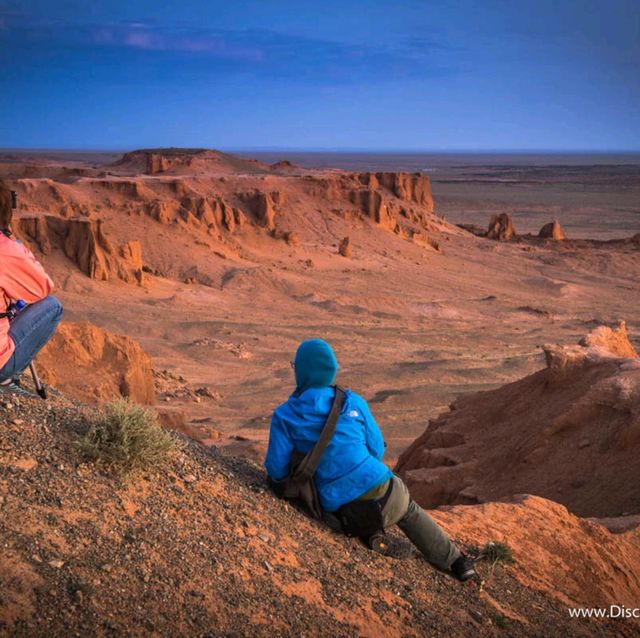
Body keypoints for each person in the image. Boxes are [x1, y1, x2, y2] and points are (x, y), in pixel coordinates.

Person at [265, 338, 476, 582]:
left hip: (341, 514)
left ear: (302, 370)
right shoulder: (352, 401)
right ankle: (456, 562)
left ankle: (369, 532)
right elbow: (376, 449)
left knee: (334, 508)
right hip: (389, 496)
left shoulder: (285, 415)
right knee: (408, 509)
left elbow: (276, 469)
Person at [0, 180, 63, 395]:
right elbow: (44, 286)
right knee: (52, 306)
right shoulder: (4, 249)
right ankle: (5, 380)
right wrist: (14, 243)